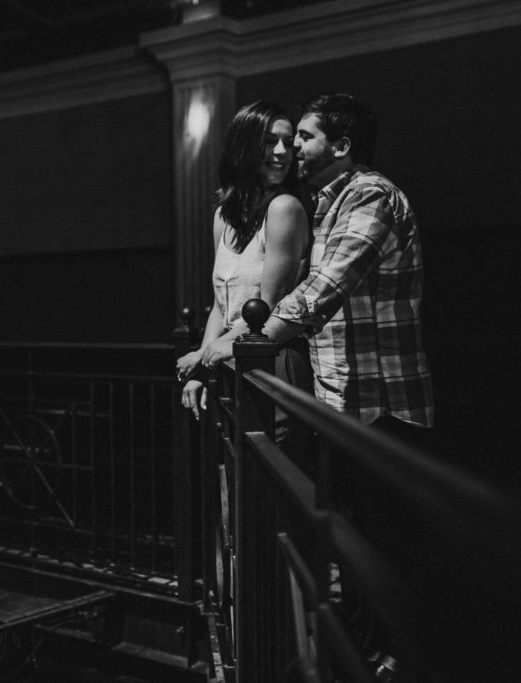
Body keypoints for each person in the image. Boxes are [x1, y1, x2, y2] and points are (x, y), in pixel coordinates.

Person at [200, 92, 433, 681]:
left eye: (302, 137)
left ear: (342, 146)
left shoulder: (372, 196)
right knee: (349, 546)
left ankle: (400, 660)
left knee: (383, 548)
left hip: (383, 403)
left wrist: (241, 342)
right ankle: (359, 656)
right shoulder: (327, 204)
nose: (292, 149)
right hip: (341, 403)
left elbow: (322, 289)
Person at [176, 100, 311, 430]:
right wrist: (202, 367)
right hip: (232, 360)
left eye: (287, 142)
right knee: (233, 475)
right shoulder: (223, 217)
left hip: (273, 362)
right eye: (269, 141)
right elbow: (221, 309)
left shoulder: (284, 209)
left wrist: (201, 359)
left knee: (268, 472)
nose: (282, 151)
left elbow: (267, 306)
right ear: (244, 145)